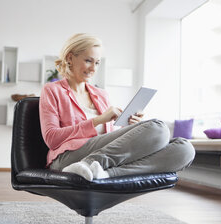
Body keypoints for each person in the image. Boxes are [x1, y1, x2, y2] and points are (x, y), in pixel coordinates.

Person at [39, 33, 195, 181]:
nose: (94, 68)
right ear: (70, 58)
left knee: (184, 150)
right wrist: (98, 120)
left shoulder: (101, 94)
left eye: (97, 62)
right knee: (158, 128)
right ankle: (89, 163)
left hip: (105, 155)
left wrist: (131, 126)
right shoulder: (53, 90)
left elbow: (111, 137)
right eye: (88, 60)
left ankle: (106, 174)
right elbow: (52, 139)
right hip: (68, 157)